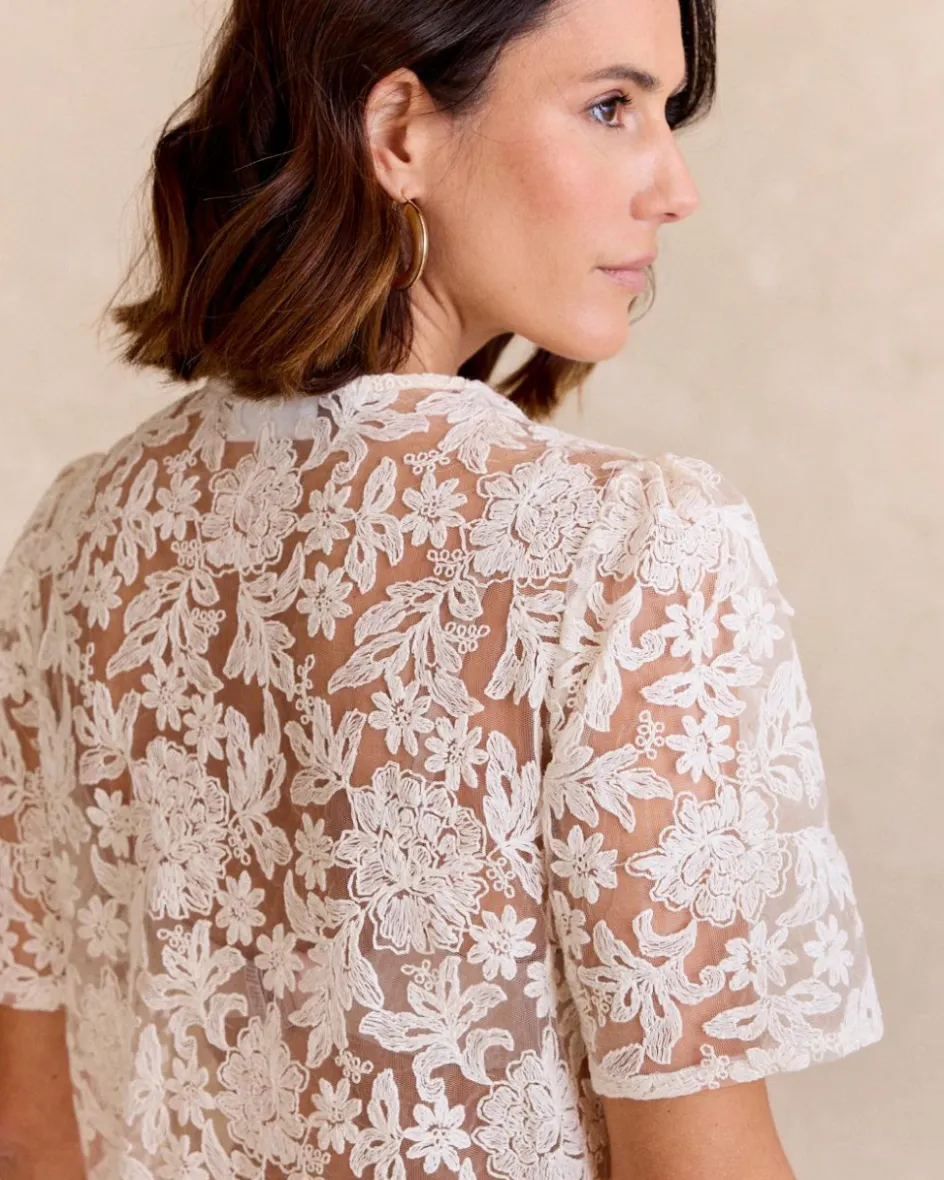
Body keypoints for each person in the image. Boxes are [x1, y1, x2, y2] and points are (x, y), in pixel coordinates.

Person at [0, 0, 884, 1177]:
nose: (674, 187)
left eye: (664, 112)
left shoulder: (76, 541)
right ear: (399, 132)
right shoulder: (627, 549)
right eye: (609, 107)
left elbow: (31, 1135)